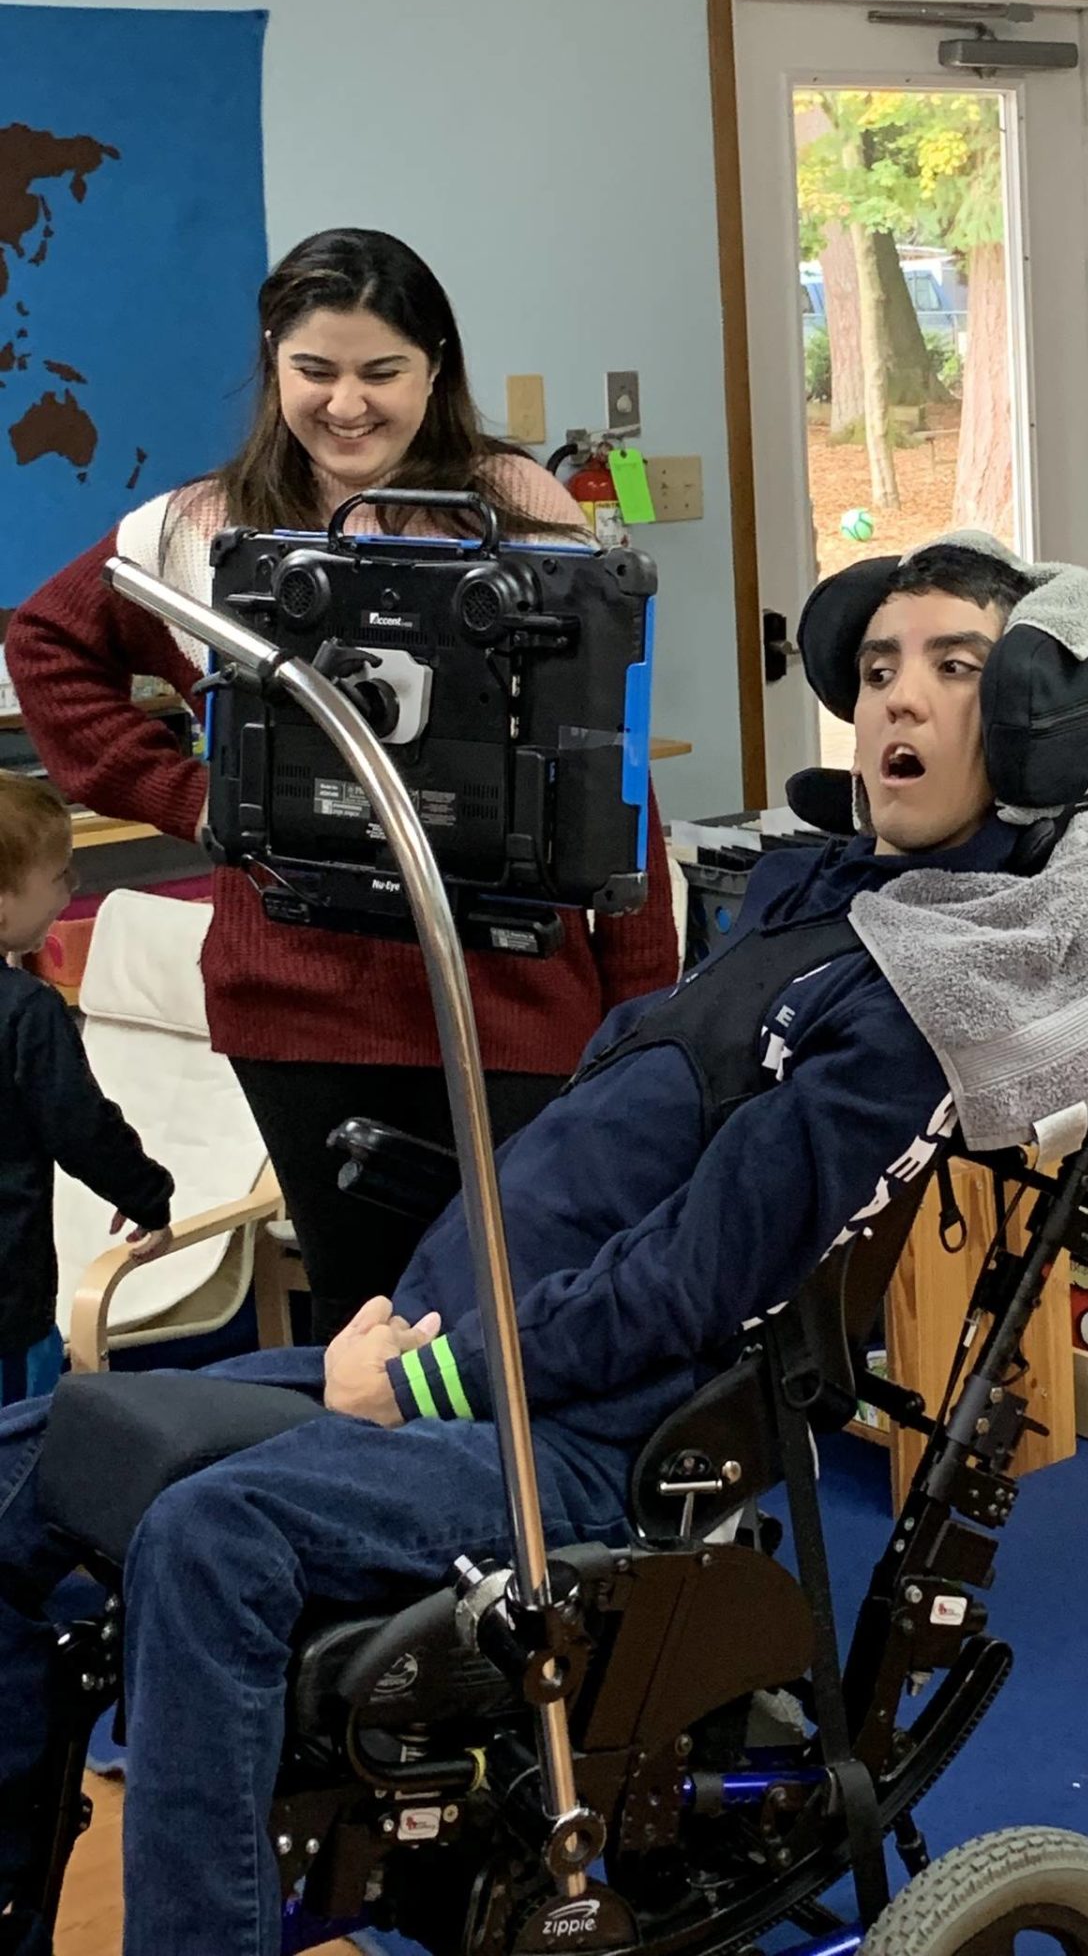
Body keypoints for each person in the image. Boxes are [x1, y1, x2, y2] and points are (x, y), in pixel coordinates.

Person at [0, 537, 1040, 1956]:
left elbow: (693, 1280)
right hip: (453, 1356)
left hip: (581, 1440)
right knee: (39, 1445)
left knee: (209, 1534)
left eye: (954, 668)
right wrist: (409, 1354)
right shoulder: (804, 910)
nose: (899, 703)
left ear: (1033, 714)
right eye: (875, 670)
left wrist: (428, 1383)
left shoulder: (910, 1001)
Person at [5, 230, 678, 1343]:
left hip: (512, 1000)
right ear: (275, 365)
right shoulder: (195, 528)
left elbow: (610, 762)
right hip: (304, 1008)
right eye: (317, 370)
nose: (348, 404)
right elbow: (48, 642)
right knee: (364, 1333)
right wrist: (192, 797)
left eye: (382, 371)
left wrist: (643, 1012)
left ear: (436, 368)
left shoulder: (517, 506)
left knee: (522, 1323)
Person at [0, 776, 173, 1407]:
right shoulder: (27, 1012)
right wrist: (148, 1196)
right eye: (60, 877)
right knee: (18, 1448)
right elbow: (80, 1127)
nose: (71, 890)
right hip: (8, 1308)